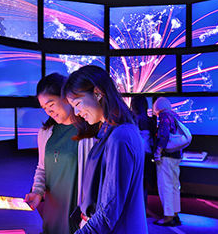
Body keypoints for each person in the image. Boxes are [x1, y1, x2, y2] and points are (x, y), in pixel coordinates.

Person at [62, 65, 148, 234]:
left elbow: (109, 209)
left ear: (98, 92)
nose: (77, 112)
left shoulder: (119, 136)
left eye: (78, 103)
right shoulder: (117, 131)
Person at [25, 73, 95, 234]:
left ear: (66, 97)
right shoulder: (45, 133)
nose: (49, 111)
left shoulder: (90, 131)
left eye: (51, 104)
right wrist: (37, 192)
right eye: (44, 108)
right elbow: (42, 168)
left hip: (78, 212)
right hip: (53, 209)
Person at [152, 97, 182, 227]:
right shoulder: (176, 115)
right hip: (176, 156)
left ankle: (168, 217)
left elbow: (164, 135)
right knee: (175, 186)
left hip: (167, 157)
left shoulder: (164, 116)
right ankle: (175, 214)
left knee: (166, 186)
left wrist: (158, 152)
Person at [130, 95, 157, 211]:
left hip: (136, 155)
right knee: (143, 184)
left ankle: (136, 211)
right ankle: (143, 209)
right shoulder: (150, 120)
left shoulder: (132, 119)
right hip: (148, 154)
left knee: (135, 184)